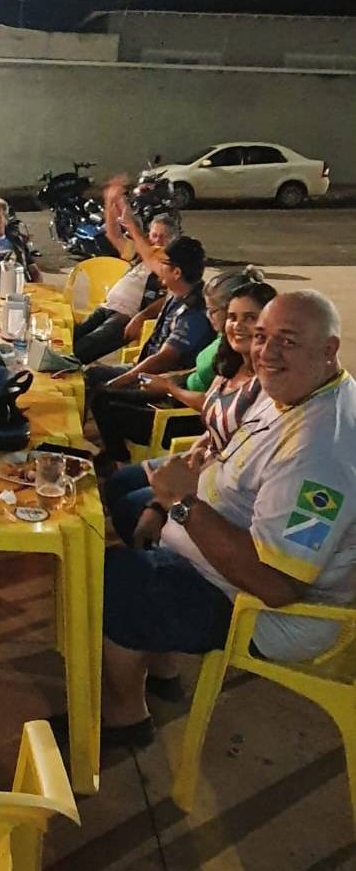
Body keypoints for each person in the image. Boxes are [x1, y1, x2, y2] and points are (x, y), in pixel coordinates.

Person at [94, 290, 356, 748]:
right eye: (262, 336)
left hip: (268, 613)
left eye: (288, 341)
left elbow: (277, 585)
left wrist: (181, 504)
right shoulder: (292, 389)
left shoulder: (323, 453)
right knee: (133, 512)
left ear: (329, 349)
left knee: (110, 579)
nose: (266, 352)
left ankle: (126, 719)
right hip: (221, 552)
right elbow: (223, 453)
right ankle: (161, 663)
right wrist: (161, 506)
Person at [105, 279, 277, 547]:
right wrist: (192, 455)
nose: (237, 325)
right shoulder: (230, 365)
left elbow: (232, 450)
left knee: (130, 505)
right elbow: (212, 428)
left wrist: (163, 500)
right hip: (201, 454)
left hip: (219, 476)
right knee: (118, 481)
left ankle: (156, 554)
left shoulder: (268, 384)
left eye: (250, 318)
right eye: (233, 317)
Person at [87, 235, 215, 464]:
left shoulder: (194, 313)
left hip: (160, 381)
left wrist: (123, 379)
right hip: (148, 370)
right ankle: (102, 441)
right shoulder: (182, 290)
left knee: (102, 397)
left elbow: (165, 358)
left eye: (163, 263)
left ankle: (117, 459)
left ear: (177, 272)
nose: (157, 267)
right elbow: (165, 300)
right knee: (91, 375)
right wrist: (142, 315)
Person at [73, 177, 177, 364]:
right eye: (154, 235)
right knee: (68, 338)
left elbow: (170, 296)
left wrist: (141, 317)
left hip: (126, 315)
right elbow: (114, 235)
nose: (158, 240)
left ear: (173, 238)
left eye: (164, 236)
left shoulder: (172, 262)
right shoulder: (142, 252)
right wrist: (110, 203)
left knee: (83, 348)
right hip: (107, 306)